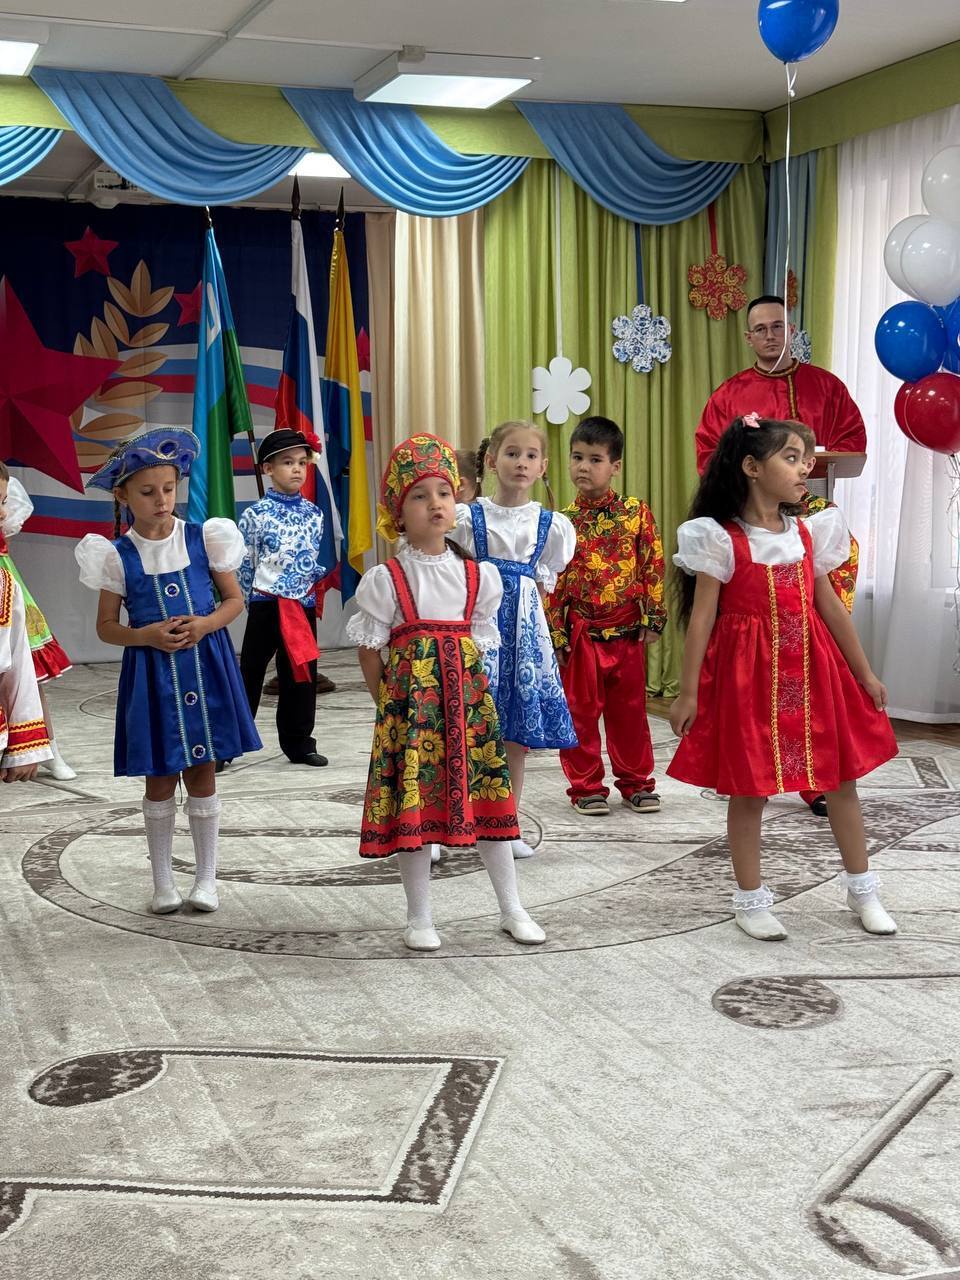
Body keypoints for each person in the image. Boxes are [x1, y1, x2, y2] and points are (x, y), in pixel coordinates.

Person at [667, 414, 898, 941]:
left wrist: (863, 671)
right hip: (748, 678)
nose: (804, 469)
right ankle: (750, 899)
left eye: (806, 459)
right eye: (791, 458)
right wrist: (687, 692)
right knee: (750, 788)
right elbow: (702, 618)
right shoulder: (719, 539)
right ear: (752, 467)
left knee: (840, 779)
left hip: (813, 669)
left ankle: (862, 888)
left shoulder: (809, 532)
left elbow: (830, 607)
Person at [348, 432, 545, 951]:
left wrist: (477, 705)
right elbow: (369, 651)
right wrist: (390, 707)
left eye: (443, 492)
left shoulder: (478, 577)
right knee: (414, 809)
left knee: (490, 805)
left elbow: (482, 649)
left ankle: (512, 908)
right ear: (398, 514)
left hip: (469, 714)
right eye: (419, 495)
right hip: (412, 715)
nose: (435, 503)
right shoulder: (388, 579)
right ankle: (419, 918)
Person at [76, 428, 261, 914]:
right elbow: (106, 627)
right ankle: (163, 882)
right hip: (152, 679)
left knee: (203, 770)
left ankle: (206, 880)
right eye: (147, 492)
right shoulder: (116, 555)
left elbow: (234, 600)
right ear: (123, 496)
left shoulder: (203, 538)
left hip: (206, 668)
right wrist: (146, 636)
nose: (161, 500)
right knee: (159, 778)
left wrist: (205, 625)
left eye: (168, 489)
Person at [695, 293, 867, 815]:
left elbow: (855, 447)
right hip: (753, 528)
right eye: (761, 329)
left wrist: (805, 461)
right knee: (750, 657)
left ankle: (816, 774)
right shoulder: (730, 394)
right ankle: (752, 766)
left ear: (792, 330)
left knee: (816, 645)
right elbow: (711, 458)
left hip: (811, 518)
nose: (770, 335)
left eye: (778, 326)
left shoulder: (826, 387)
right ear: (748, 337)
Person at [449, 421, 577, 859]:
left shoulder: (551, 525)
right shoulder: (468, 518)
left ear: (543, 466)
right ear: (491, 460)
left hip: (523, 633)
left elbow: (540, 589)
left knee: (514, 737)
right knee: (465, 727)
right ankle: (451, 821)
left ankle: (506, 824)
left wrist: (537, 640)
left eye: (530, 456)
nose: (521, 462)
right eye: (511, 453)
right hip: (476, 627)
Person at [546, 416, 666, 815]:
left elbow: (652, 564)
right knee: (580, 714)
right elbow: (554, 583)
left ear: (615, 466)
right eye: (577, 457)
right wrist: (557, 636)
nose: (583, 467)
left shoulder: (635, 512)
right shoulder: (562, 523)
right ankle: (586, 787)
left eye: (595, 459)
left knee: (629, 713)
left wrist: (654, 617)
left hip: (628, 631)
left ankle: (636, 783)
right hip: (582, 635)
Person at [238, 428, 329, 769]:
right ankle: (229, 743)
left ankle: (299, 743)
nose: (297, 469)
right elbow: (245, 562)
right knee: (249, 673)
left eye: (302, 462)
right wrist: (251, 600)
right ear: (268, 468)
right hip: (266, 602)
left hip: (301, 605)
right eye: (288, 462)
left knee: (301, 675)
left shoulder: (314, 515)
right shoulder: (255, 515)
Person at [0, 472, 77, 780]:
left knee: (26, 672)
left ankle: (47, 748)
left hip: (7, 588)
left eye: (3, 502)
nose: (3, 511)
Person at [0, 464, 52, 782]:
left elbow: (17, 666)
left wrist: (24, 744)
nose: (2, 513)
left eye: (3, 501)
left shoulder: (5, 585)